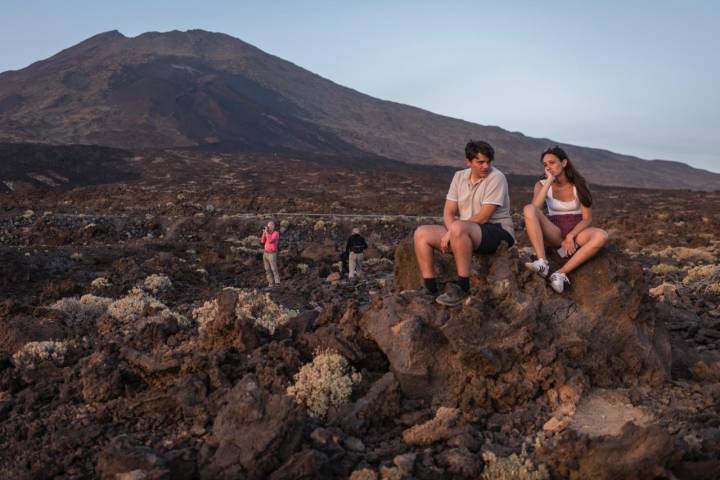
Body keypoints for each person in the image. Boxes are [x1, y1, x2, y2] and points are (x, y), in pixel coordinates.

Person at [413, 140, 515, 307]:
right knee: (421, 233)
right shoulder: (459, 177)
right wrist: (451, 230)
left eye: (488, 162)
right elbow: (449, 212)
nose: (485, 166)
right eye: (480, 162)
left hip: (498, 231)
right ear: (468, 162)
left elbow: (483, 217)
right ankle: (430, 288)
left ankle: (463, 288)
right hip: (466, 232)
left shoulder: (497, 178)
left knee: (459, 227)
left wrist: (453, 230)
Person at [523, 145, 609, 293]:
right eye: (545, 165)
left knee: (601, 236)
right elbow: (535, 208)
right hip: (555, 232)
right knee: (528, 208)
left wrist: (571, 235)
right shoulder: (541, 185)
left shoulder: (579, 185)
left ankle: (560, 273)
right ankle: (542, 263)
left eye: (552, 162)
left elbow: (587, 219)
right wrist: (549, 181)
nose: (549, 167)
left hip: (577, 232)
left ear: (563, 163)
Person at [260, 221, 281, 288]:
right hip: (265, 253)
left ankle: (277, 283)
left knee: (274, 269)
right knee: (267, 269)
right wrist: (264, 233)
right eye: (268, 226)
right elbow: (262, 241)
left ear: (273, 226)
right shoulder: (267, 233)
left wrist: (266, 232)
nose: (268, 228)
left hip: (272, 254)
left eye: (269, 226)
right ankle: (271, 284)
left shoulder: (276, 233)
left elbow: (270, 240)